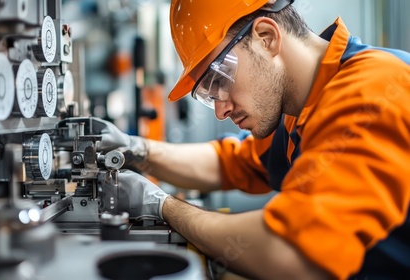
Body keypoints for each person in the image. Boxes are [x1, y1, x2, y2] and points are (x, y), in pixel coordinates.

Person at [90, 0, 410, 278]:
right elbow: (233, 163)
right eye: (208, 94)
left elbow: (292, 256)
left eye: (219, 79)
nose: (220, 110)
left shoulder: (371, 94)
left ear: (266, 37)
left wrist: (162, 207)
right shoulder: (302, 104)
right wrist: (136, 149)